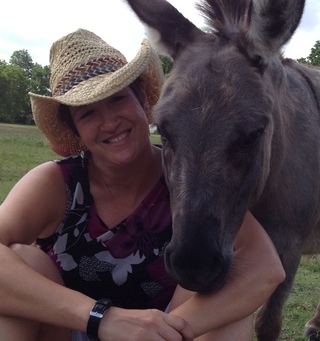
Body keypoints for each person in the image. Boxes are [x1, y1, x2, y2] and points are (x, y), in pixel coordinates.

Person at [0, 29, 285, 341]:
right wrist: (103, 320)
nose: (110, 122)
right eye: (88, 113)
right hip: (69, 329)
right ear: (76, 131)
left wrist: (160, 332)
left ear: (143, 102)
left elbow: (266, 267)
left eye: (118, 99)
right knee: (24, 260)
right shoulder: (56, 183)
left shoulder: (185, 177)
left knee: (223, 294)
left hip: (165, 332)